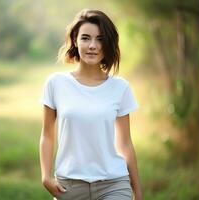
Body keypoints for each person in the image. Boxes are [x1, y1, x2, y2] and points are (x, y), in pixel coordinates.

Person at [39, 9, 142, 200]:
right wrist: (45, 177)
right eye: (85, 38)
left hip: (114, 184)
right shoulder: (55, 83)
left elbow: (125, 143)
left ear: (108, 44)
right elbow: (47, 135)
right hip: (68, 186)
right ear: (75, 41)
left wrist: (138, 192)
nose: (93, 46)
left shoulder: (120, 88)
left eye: (100, 39)